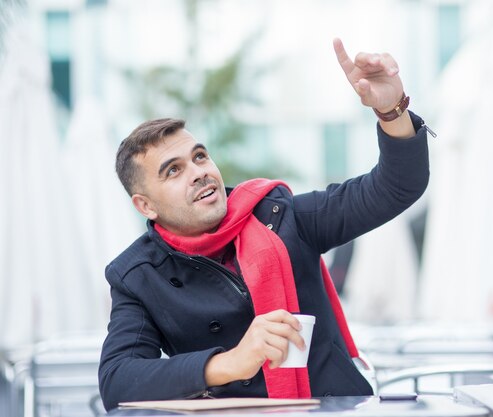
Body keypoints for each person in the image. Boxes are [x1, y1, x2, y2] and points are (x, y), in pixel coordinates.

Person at [98, 38, 431, 411]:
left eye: (200, 156)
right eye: (174, 170)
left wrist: (391, 111)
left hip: (335, 408)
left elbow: (396, 188)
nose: (199, 173)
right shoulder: (137, 275)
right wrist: (227, 363)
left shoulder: (280, 216)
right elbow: (118, 380)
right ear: (145, 205)